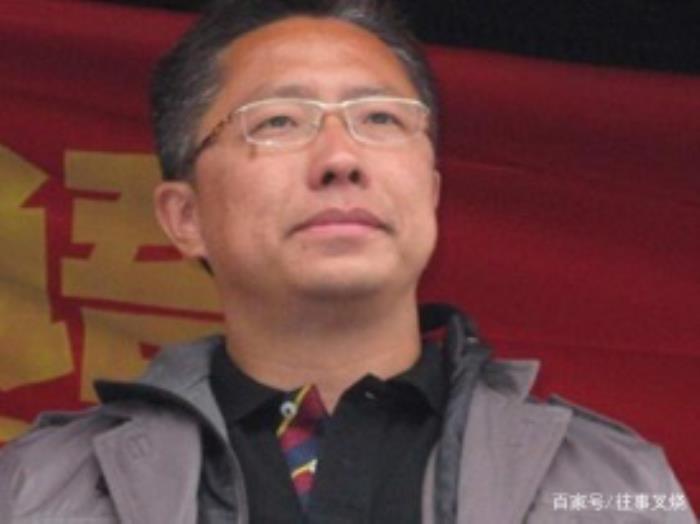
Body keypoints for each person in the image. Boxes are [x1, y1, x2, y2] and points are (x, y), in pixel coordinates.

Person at [0, 1, 695, 522]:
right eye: (278, 121)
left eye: (381, 119)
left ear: (430, 193)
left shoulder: (609, 484)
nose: (340, 158)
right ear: (186, 218)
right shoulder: (38, 491)